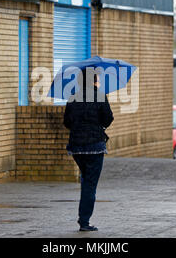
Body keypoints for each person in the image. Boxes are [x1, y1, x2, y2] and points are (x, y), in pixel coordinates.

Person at [64, 69, 114, 232]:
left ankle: (84, 218)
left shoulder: (73, 97)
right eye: (97, 78)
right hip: (94, 146)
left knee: (86, 179)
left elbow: (67, 122)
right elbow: (108, 118)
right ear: (91, 80)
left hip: (76, 147)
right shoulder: (99, 95)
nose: (98, 81)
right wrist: (98, 124)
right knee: (90, 184)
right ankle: (84, 221)